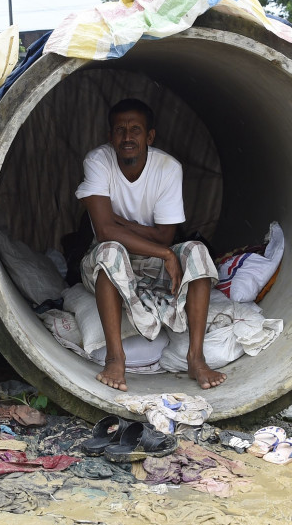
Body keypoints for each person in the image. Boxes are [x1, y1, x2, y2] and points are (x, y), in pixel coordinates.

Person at [75, 98, 226, 391]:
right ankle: (115, 359)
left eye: (135, 129)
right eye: (120, 129)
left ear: (150, 136)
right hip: (106, 265)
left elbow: (165, 235)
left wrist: (126, 226)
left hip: (153, 264)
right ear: (110, 136)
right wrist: (163, 252)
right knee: (111, 250)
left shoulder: (168, 168)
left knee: (197, 250)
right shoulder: (98, 161)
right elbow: (106, 231)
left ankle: (196, 357)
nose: (127, 136)